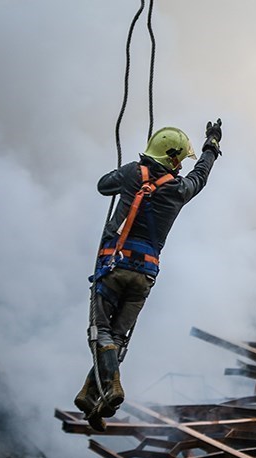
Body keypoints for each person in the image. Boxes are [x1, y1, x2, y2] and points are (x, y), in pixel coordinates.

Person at [74, 120, 223, 431]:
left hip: (113, 268)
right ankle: (91, 400)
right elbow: (202, 176)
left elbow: (103, 185)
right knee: (117, 339)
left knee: (100, 335)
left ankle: (111, 389)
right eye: (180, 158)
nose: (182, 164)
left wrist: (129, 174)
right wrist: (212, 144)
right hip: (144, 276)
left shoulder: (131, 174)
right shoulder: (180, 190)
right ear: (171, 158)